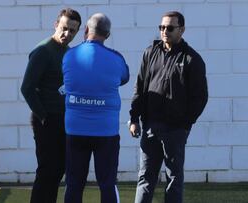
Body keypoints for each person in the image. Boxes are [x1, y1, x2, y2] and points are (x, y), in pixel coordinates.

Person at [128, 11, 208, 203]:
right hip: (149, 127)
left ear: (182, 30)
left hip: (175, 130)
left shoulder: (191, 59)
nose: (165, 31)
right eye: (162, 27)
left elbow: (200, 97)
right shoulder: (150, 52)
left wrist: (185, 124)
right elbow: (140, 87)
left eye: (170, 28)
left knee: (173, 178)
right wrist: (134, 118)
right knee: (145, 177)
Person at [62, 13, 129, 203]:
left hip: (75, 130)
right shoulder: (116, 59)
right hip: (106, 132)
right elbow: (124, 78)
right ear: (107, 35)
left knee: (74, 184)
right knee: (107, 184)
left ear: (85, 31)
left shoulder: (69, 56)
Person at [20, 8, 81, 203]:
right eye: (64, 28)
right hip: (47, 119)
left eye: (72, 31)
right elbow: (27, 88)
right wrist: (43, 116)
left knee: (58, 169)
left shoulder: (68, 52)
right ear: (56, 24)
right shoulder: (43, 51)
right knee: (47, 170)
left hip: (64, 119)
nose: (67, 34)